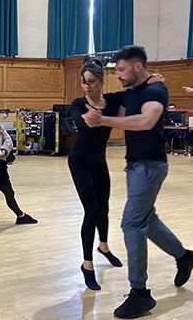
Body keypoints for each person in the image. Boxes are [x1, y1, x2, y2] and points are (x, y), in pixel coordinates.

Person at [83, 45, 193, 319]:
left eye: (122, 69)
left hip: (150, 166)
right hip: (136, 165)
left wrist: (103, 121)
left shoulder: (155, 91)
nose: (119, 75)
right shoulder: (134, 90)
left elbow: (147, 121)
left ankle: (140, 293)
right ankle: (185, 256)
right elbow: (104, 97)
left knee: (131, 223)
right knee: (147, 220)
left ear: (137, 66)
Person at [68, 57, 125, 291]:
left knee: (105, 207)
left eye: (91, 81)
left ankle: (104, 246)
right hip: (79, 161)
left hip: (99, 162)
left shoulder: (112, 101)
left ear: (101, 81)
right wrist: (92, 118)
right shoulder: (78, 104)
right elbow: (84, 125)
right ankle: (87, 264)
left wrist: (154, 79)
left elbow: (137, 90)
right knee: (90, 210)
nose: (86, 86)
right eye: (83, 82)